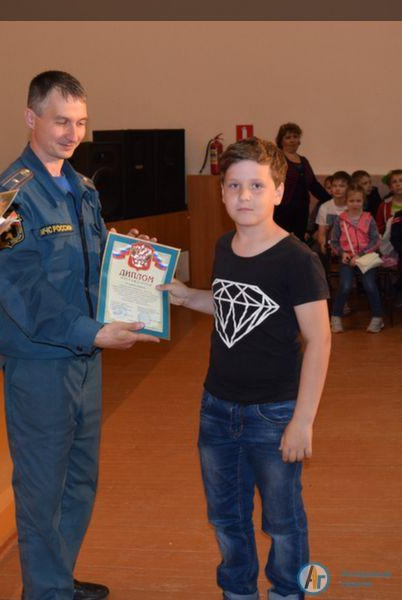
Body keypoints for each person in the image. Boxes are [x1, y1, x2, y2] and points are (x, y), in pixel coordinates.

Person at [0, 70, 156, 600]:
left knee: (79, 483)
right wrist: (93, 332)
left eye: (80, 122)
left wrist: (133, 262)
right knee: (41, 493)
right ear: (31, 117)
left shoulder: (82, 189)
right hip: (40, 367)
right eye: (61, 121)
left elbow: (95, 265)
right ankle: (46, 593)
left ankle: (56, 581)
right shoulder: (10, 197)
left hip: (84, 360)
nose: (72, 133)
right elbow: (25, 295)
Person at [158, 138, 331, 600]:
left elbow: (318, 339)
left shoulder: (298, 260)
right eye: (234, 185)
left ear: (279, 191)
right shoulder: (224, 246)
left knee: (282, 520)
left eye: (257, 185)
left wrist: (303, 421)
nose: (244, 196)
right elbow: (233, 306)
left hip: (275, 413)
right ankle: (237, 591)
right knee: (225, 516)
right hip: (216, 407)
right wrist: (185, 295)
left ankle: (287, 591)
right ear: (222, 192)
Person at [328, 184, 384, 333]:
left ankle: (378, 317)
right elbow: (333, 242)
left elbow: (375, 240)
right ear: (346, 201)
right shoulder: (340, 220)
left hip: (366, 259)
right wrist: (342, 254)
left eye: (358, 201)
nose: (355, 204)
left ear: (363, 201)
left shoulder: (368, 218)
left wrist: (360, 254)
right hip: (347, 259)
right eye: (352, 201)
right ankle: (335, 316)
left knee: (369, 285)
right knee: (345, 286)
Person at [273, 122, 331, 242]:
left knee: (298, 241)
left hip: (302, 209)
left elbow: (313, 184)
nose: (292, 140)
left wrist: (331, 200)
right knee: (281, 241)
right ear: (281, 141)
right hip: (282, 209)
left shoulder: (304, 161)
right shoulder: (277, 159)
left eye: (295, 137)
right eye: (288, 137)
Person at [375, 169, 402, 235]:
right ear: (390, 187)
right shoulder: (384, 205)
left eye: (401, 181)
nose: (398, 184)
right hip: (391, 239)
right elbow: (379, 226)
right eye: (394, 182)